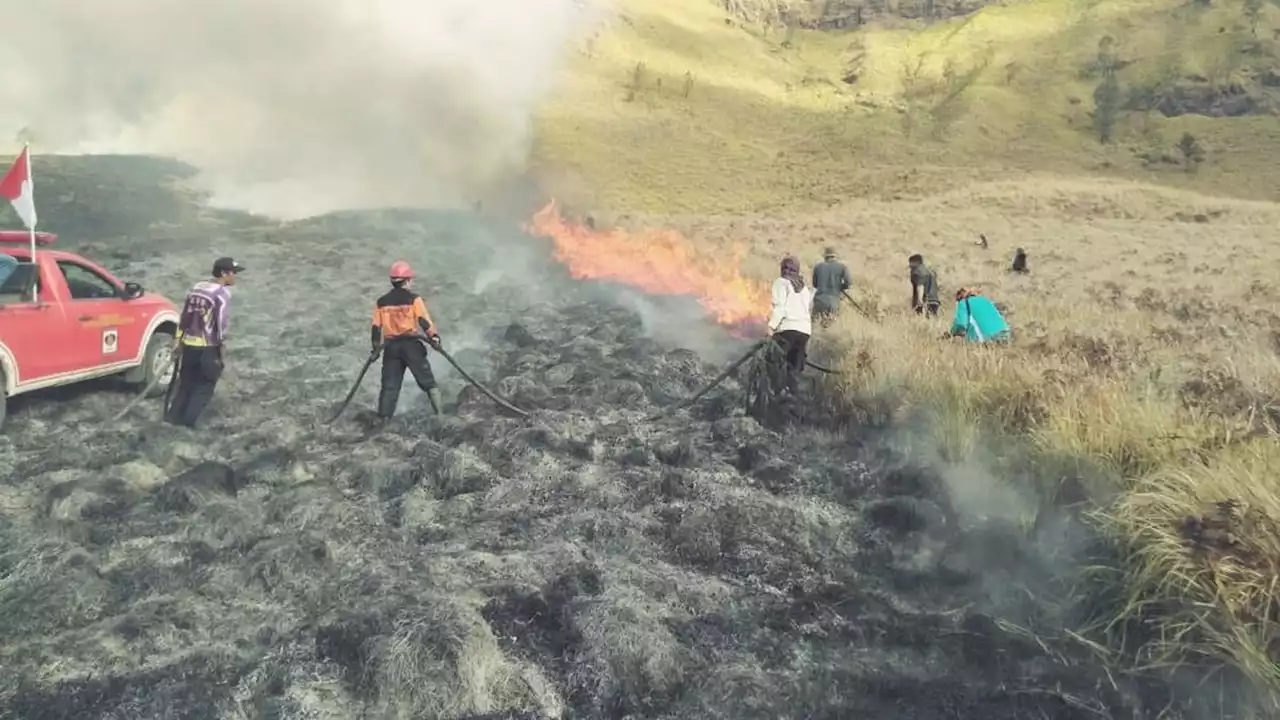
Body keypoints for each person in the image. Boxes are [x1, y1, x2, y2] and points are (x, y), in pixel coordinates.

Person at [166, 256, 243, 428]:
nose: (235, 277)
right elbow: (221, 325)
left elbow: (184, 316)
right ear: (224, 273)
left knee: (185, 386)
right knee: (203, 388)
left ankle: (171, 421)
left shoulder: (197, 288)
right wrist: (222, 352)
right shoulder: (221, 294)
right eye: (233, 273)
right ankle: (187, 426)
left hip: (188, 346)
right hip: (207, 348)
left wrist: (178, 341)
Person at [372, 260, 443, 418]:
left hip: (391, 348)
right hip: (411, 345)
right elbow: (424, 321)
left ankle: (383, 421)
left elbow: (376, 328)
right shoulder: (414, 299)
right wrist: (434, 338)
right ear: (407, 281)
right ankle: (440, 416)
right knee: (428, 382)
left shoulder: (381, 302)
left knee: (389, 387)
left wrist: (376, 349)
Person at [767, 256, 814, 395]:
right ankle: (794, 399)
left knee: (774, 363)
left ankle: (776, 395)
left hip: (787, 329)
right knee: (793, 369)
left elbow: (780, 307)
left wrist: (771, 327)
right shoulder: (804, 288)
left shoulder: (781, 283)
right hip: (804, 332)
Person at [811, 246, 852, 327]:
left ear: (825, 256)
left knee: (817, 327)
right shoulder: (842, 267)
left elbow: (815, 284)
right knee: (831, 327)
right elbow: (848, 283)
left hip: (819, 301)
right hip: (834, 302)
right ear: (835, 256)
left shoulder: (818, 267)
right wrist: (839, 287)